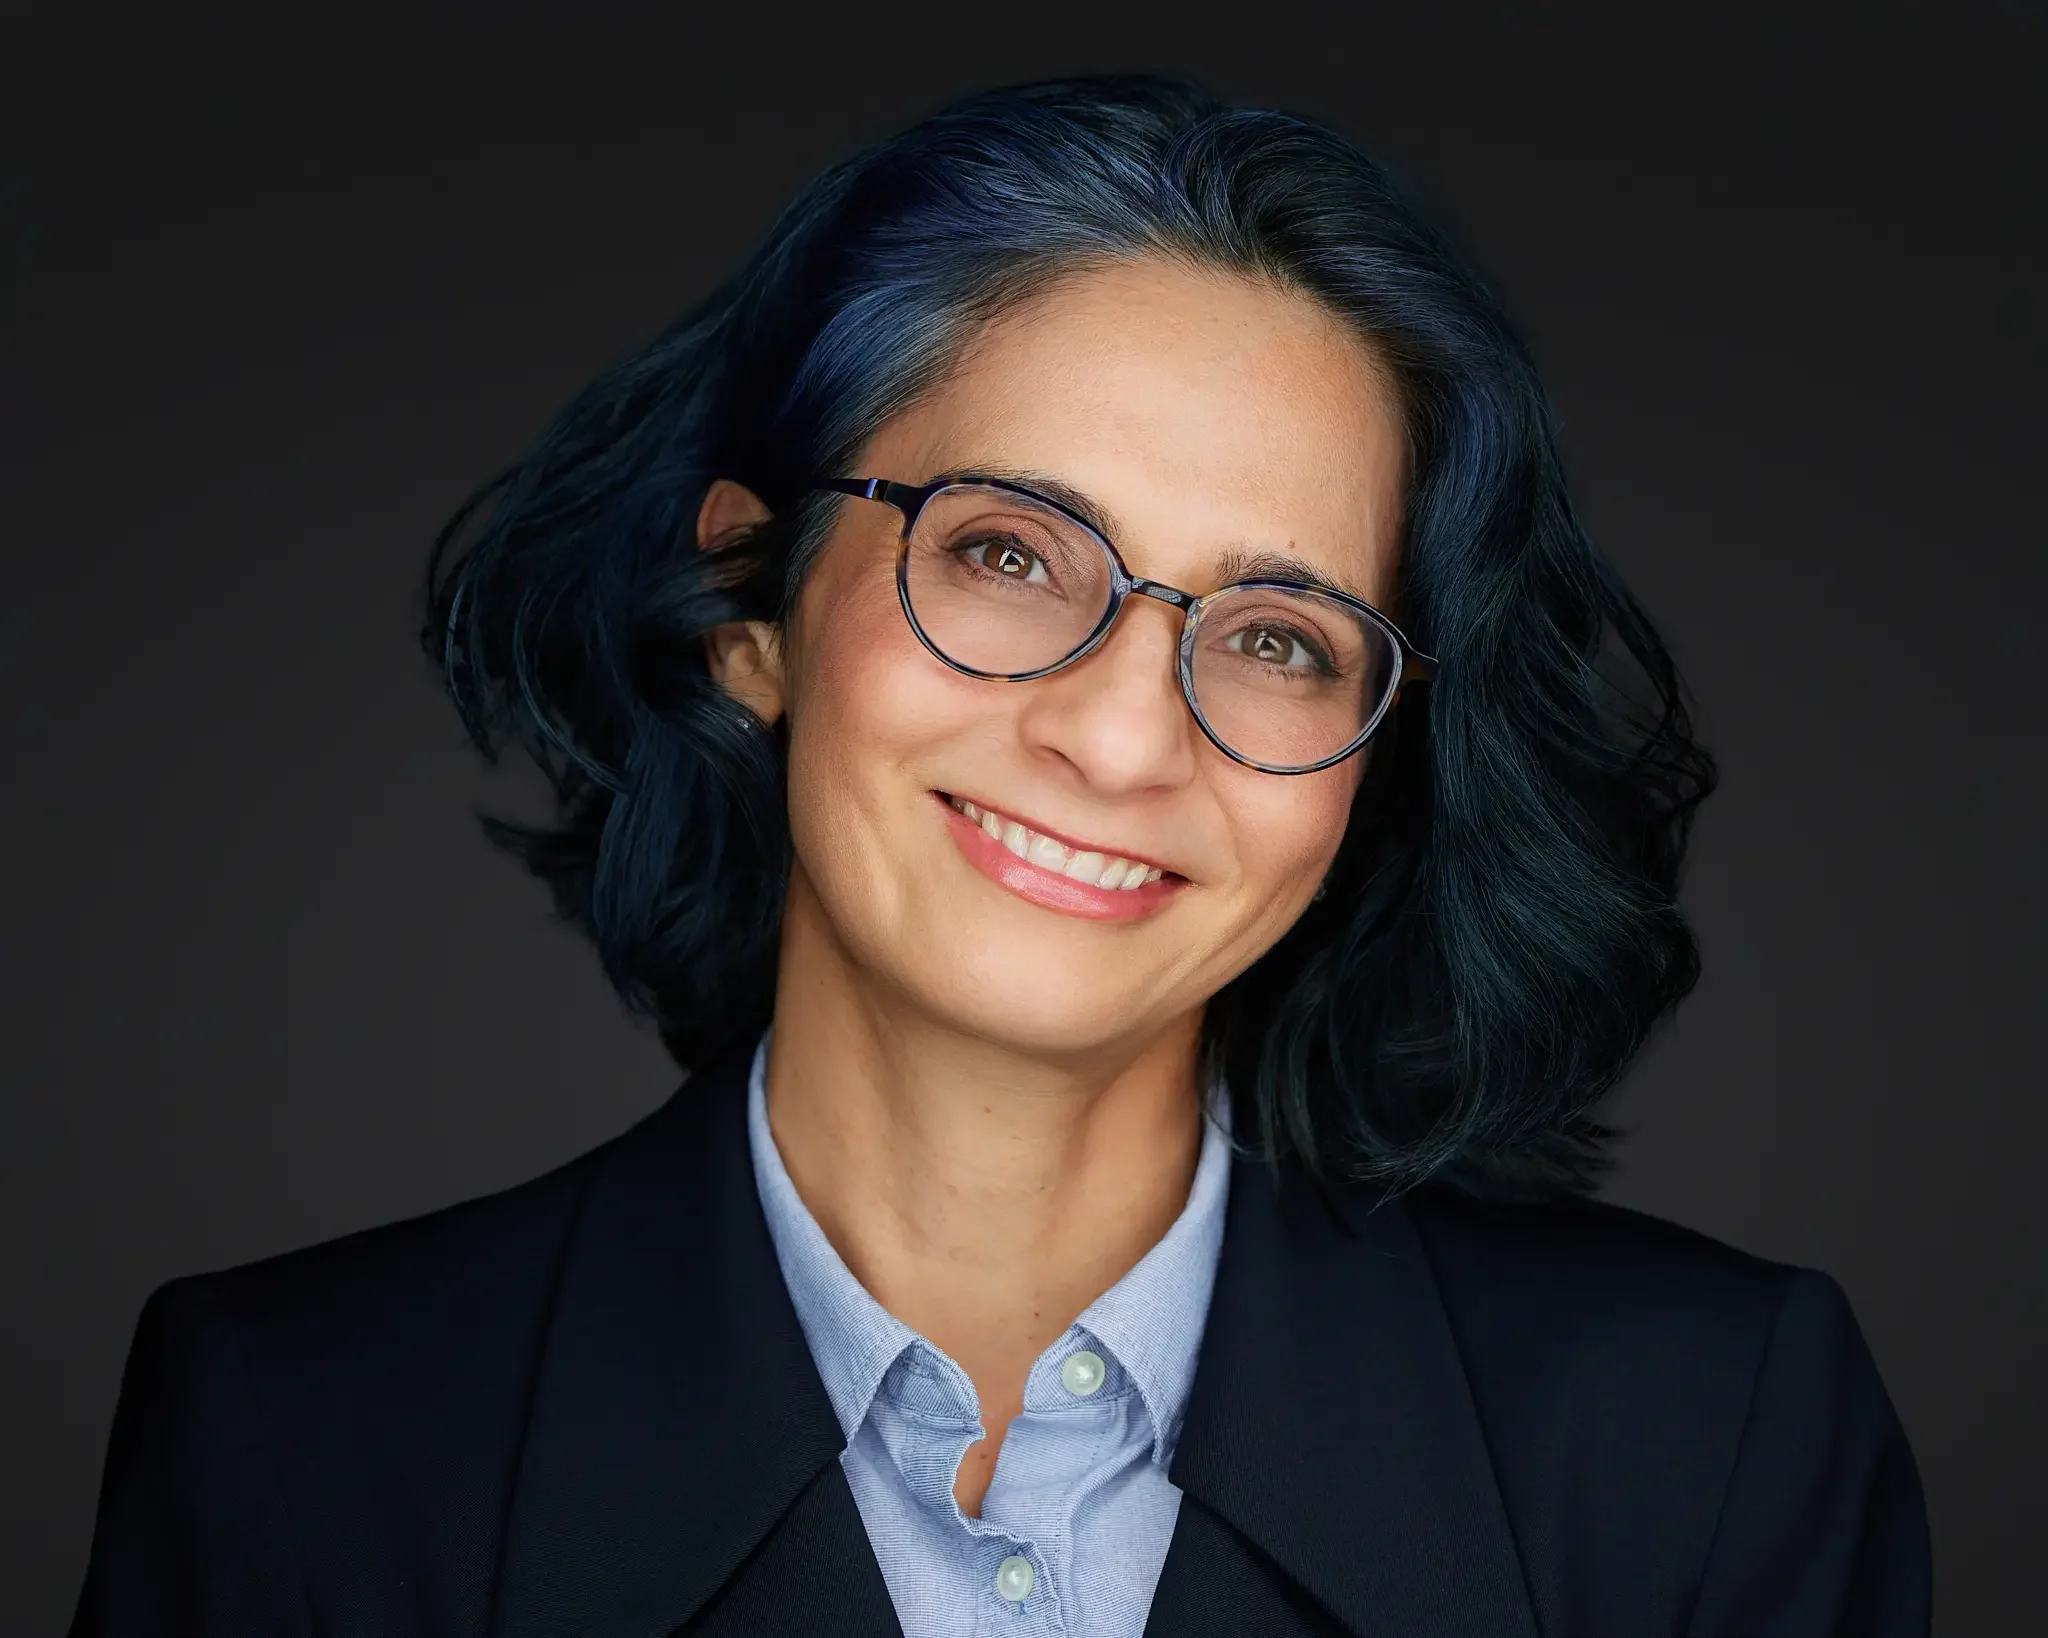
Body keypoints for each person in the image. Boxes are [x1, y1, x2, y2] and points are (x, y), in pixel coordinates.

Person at [69, 74, 1931, 1637]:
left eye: (1279, 638)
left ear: (1375, 760)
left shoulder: (1710, 1443)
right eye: (1009, 551)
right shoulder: (295, 1441)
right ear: (751, 604)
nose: (1123, 735)